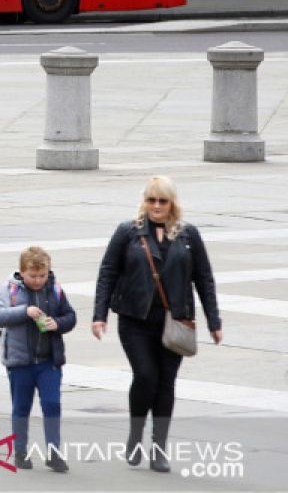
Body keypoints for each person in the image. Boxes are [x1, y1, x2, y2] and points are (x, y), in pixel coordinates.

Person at [91, 175, 222, 473]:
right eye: (152, 200)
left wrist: (214, 321)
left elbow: (204, 279)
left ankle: (159, 448)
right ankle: (136, 435)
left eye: (163, 201)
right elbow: (108, 273)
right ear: (144, 202)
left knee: (166, 384)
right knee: (146, 375)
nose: (156, 206)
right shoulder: (128, 232)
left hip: (174, 321)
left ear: (172, 203)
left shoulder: (189, 236)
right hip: (135, 320)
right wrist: (100, 315)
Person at [0, 246, 77, 473]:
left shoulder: (55, 289)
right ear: (22, 272)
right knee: (21, 406)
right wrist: (23, 311)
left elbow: (70, 316)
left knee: (52, 404)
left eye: (42, 275)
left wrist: (57, 323)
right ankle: (20, 450)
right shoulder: (11, 290)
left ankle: (54, 452)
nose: (38, 280)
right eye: (33, 276)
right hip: (20, 361)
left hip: (49, 360)